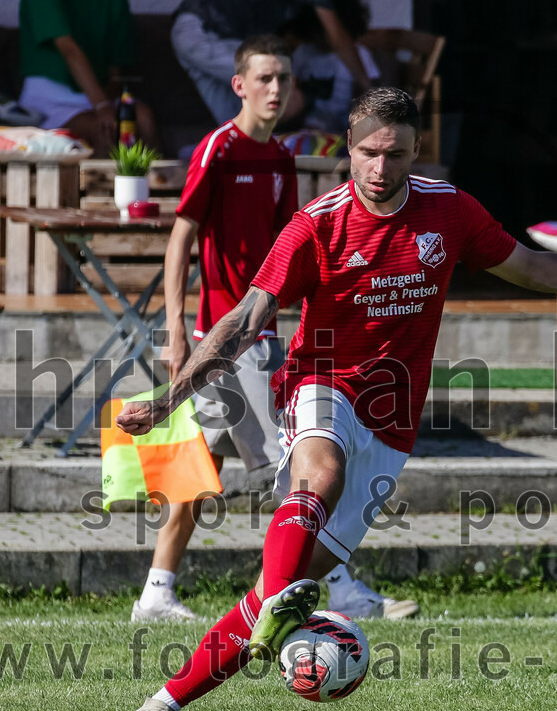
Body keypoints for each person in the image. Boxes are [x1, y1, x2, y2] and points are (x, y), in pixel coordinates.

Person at [118, 87, 557, 711]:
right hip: (319, 381)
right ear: (349, 149)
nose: (379, 166)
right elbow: (244, 320)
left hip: (392, 424)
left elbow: (526, 265)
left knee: (269, 597)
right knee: (321, 470)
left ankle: (159, 708)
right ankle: (280, 600)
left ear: (415, 151)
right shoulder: (317, 224)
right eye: (367, 153)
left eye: (394, 153)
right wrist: (171, 397)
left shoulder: (447, 211)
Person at [132, 34, 416, 626]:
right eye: (264, 78)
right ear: (238, 85)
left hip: (262, 333)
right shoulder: (219, 149)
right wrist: (177, 325)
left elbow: (289, 250)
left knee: (195, 468)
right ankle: (335, 586)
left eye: (284, 79)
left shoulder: (282, 157)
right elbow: (182, 237)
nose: (276, 89)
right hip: (230, 340)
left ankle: (156, 592)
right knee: (294, 471)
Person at [171, 0, 371, 127]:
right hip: (206, 35)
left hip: (188, 33)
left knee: (233, 123)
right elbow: (337, 36)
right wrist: (367, 85)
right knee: (289, 97)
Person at [17, 0, 158, 156]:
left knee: (143, 118)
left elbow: (116, 73)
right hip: (50, 99)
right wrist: (101, 108)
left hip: (98, 97)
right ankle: (101, 187)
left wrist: (106, 105)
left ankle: (154, 185)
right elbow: (68, 49)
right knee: (105, 130)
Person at [280, 0, 380, 133]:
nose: (320, 38)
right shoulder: (304, 53)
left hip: (343, 125)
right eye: (315, 31)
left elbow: (367, 94)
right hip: (305, 124)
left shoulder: (359, 55)